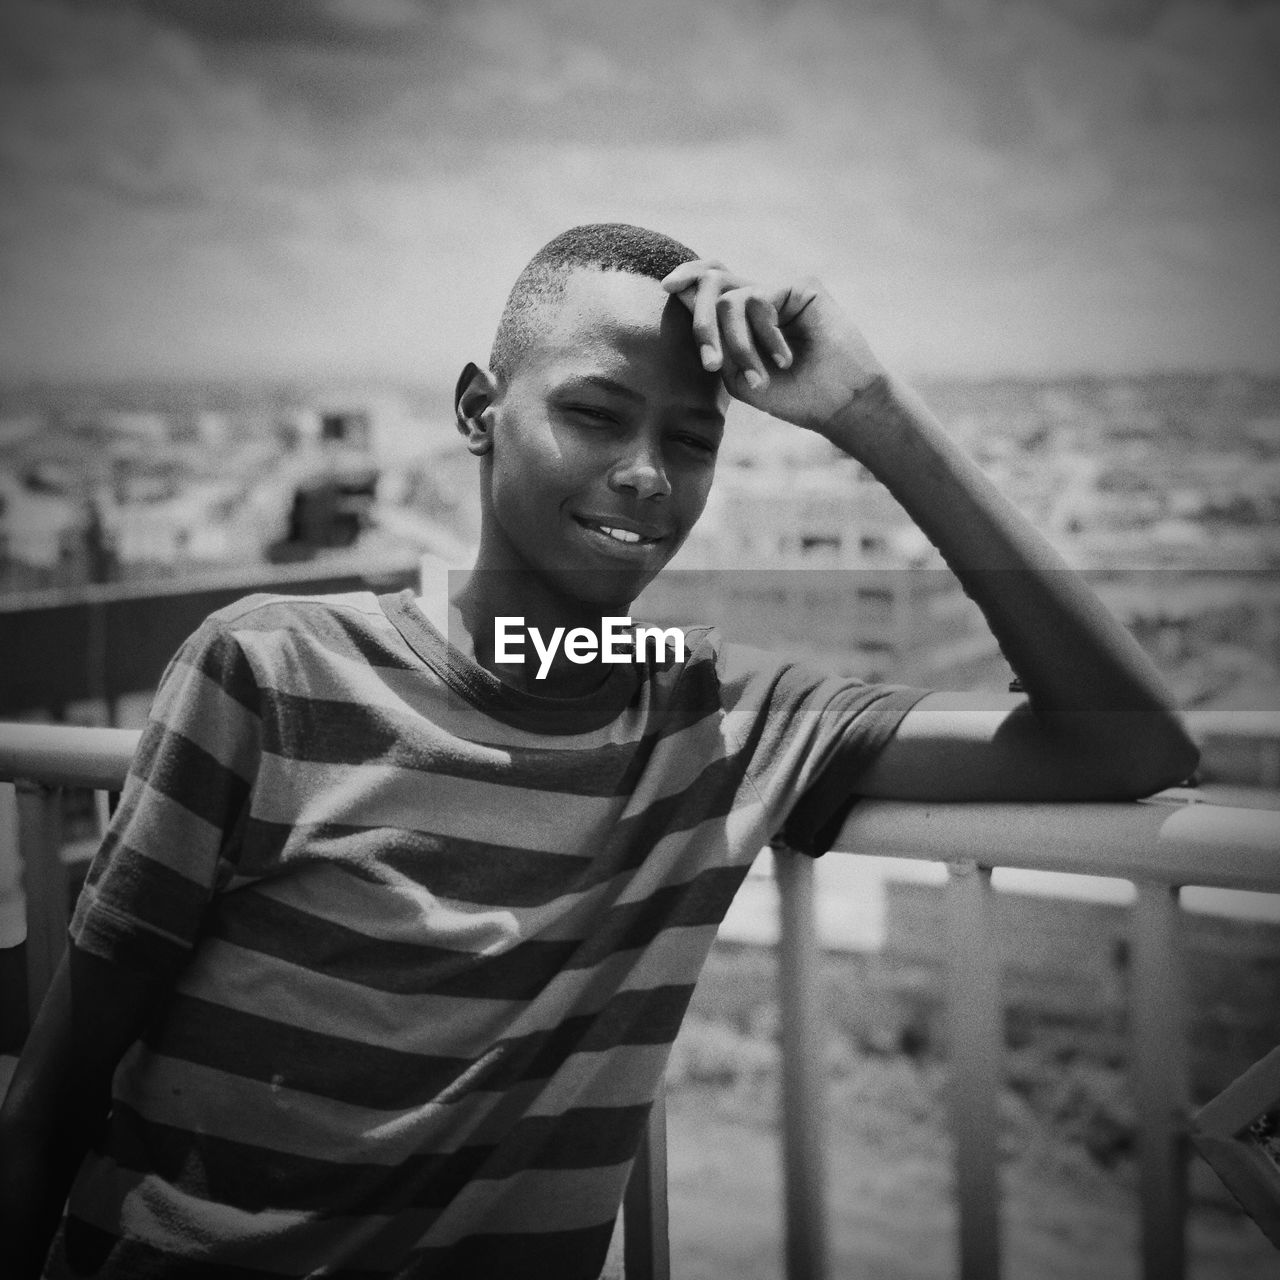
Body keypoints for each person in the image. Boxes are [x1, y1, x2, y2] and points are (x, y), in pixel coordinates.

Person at [0, 224, 1197, 1279]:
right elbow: (58, 1086)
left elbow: (1133, 741)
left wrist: (872, 414)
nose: (643, 475)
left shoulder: (712, 721)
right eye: (590, 413)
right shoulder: (267, 672)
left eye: (690, 440)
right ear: (478, 409)